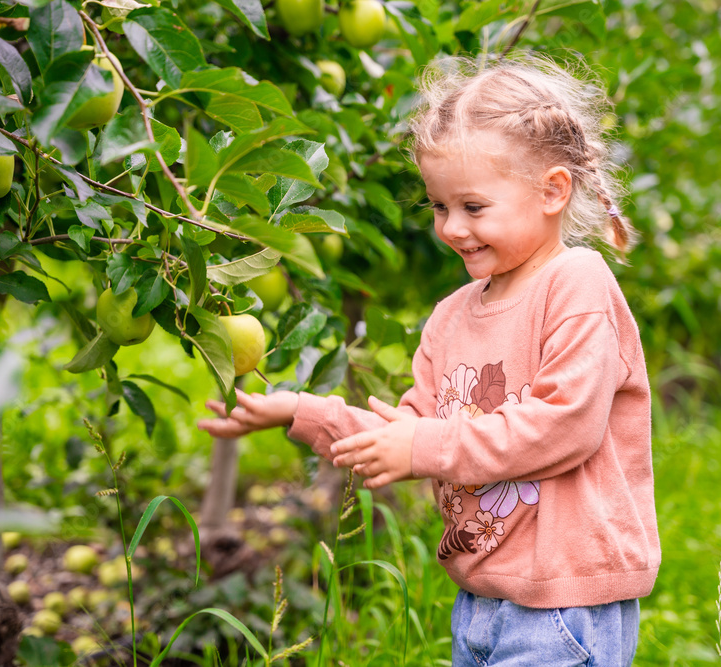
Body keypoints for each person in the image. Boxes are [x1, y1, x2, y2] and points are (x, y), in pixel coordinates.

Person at [198, 53, 660, 666]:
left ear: (552, 191)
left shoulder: (576, 283)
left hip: (565, 604)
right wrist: (300, 412)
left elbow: (566, 424)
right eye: (440, 207)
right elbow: (408, 432)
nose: (451, 228)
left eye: (473, 207)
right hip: (478, 602)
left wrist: (422, 447)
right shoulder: (451, 317)